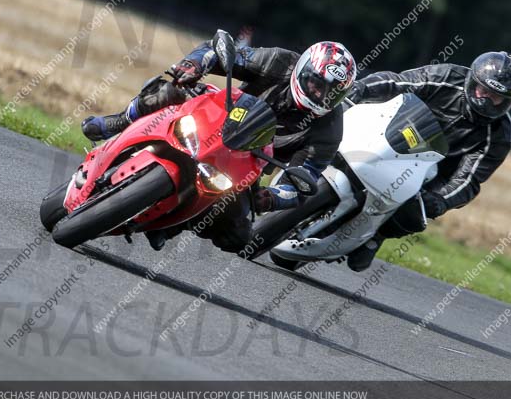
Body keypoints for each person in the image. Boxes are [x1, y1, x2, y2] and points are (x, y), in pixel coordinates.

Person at [81, 35, 357, 252]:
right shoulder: (279, 61)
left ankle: (174, 222)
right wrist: (194, 65)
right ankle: (120, 121)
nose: (319, 94)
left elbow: (303, 181)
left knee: (238, 236)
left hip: (248, 162)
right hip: (218, 114)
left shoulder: (330, 129)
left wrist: (272, 198)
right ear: (304, 70)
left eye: (329, 93)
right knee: (172, 90)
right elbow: (220, 52)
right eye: (316, 84)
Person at [345, 51, 511, 271]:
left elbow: (470, 179)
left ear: (507, 102)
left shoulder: (499, 135)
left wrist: (442, 199)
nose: (486, 99)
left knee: (416, 214)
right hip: (395, 131)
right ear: (473, 81)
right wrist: (361, 88)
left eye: (495, 97)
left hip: (432, 170)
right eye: (483, 90)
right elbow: (399, 81)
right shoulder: (447, 76)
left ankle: (376, 237)